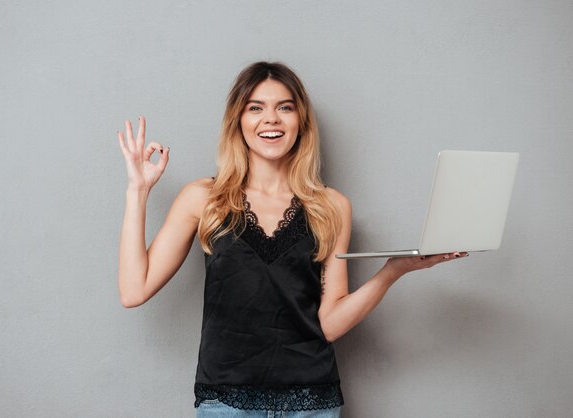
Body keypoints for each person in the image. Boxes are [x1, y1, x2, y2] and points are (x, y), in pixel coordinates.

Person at [117, 61, 468, 418]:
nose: (271, 119)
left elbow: (328, 325)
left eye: (285, 107)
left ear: (301, 122)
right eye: (256, 108)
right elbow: (134, 290)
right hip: (225, 404)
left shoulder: (331, 207)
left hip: (312, 404)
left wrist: (392, 272)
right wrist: (138, 191)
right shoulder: (203, 198)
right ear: (238, 120)